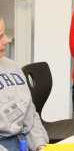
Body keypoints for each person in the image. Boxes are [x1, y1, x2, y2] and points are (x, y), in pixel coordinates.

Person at [0, 17, 48, 150]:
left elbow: (30, 114)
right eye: (0, 36)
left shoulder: (13, 67)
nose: (7, 40)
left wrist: (40, 145)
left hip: (23, 142)